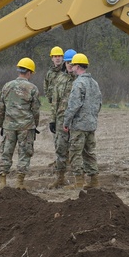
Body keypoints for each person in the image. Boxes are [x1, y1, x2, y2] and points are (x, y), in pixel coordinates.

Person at [0, 58, 41, 191]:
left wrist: (1, 124)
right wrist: (34, 125)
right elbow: (35, 110)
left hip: (9, 126)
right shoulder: (32, 88)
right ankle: (20, 183)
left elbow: (0, 108)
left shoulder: (7, 86)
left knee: (6, 152)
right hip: (26, 127)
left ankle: (2, 181)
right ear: (29, 72)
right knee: (24, 153)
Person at [63, 53, 102, 189]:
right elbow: (99, 104)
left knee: (75, 153)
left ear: (77, 66)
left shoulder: (78, 83)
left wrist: (66, 122)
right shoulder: (94, 83)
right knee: (89, 153)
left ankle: (79, 182)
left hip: (79, 125)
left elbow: (73, 105)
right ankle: (94, 181)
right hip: (91, 124)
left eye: (73, 65)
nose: (71, 67)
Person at [48, 48, 77, 187]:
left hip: (78, 121)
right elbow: (55, 101)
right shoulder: (59, 79)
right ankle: (60, 178)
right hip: (61, 120)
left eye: (72, 62)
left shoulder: (81, 80)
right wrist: (52, 120)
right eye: (68, 62)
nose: (70, 65)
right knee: (60, 148)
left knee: (77, 149)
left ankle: (78, 179)